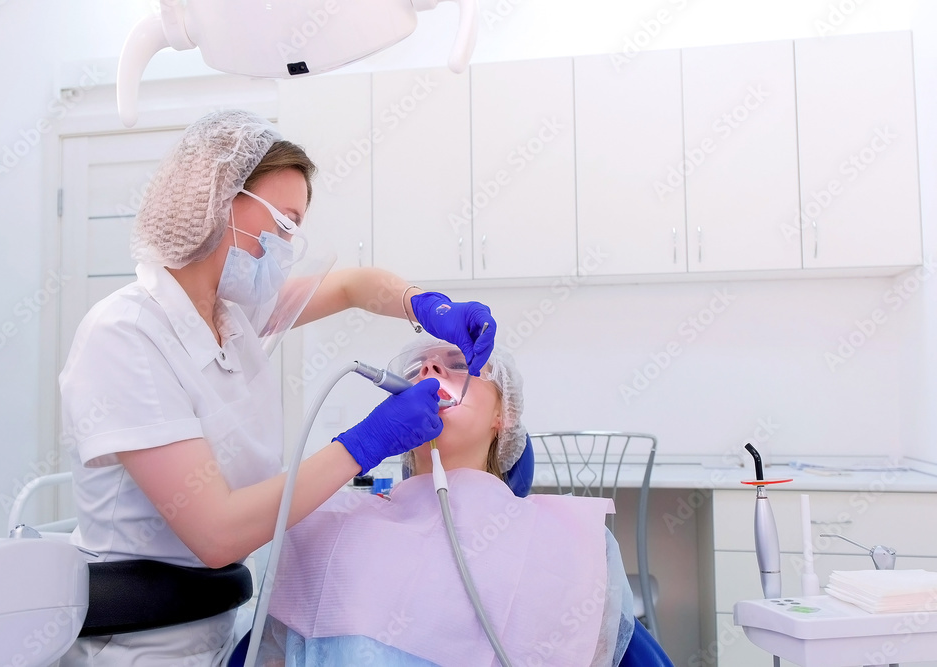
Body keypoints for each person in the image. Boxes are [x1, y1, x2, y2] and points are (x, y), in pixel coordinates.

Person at [57, 110, 497, 666]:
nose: (288, 246)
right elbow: (216, 534)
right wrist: (366, 443)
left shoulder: (231, 316)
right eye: (284, 224)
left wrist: (424, 304)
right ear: (216, 198)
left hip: (220, 629)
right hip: (141, 644)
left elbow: (356, 286)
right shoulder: (125, 335)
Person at [259, 337, 637, 666]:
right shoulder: (329, 526)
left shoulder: (569, 539)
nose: (430, 367)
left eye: (458, 365)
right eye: (416, 368)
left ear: (503, 415)